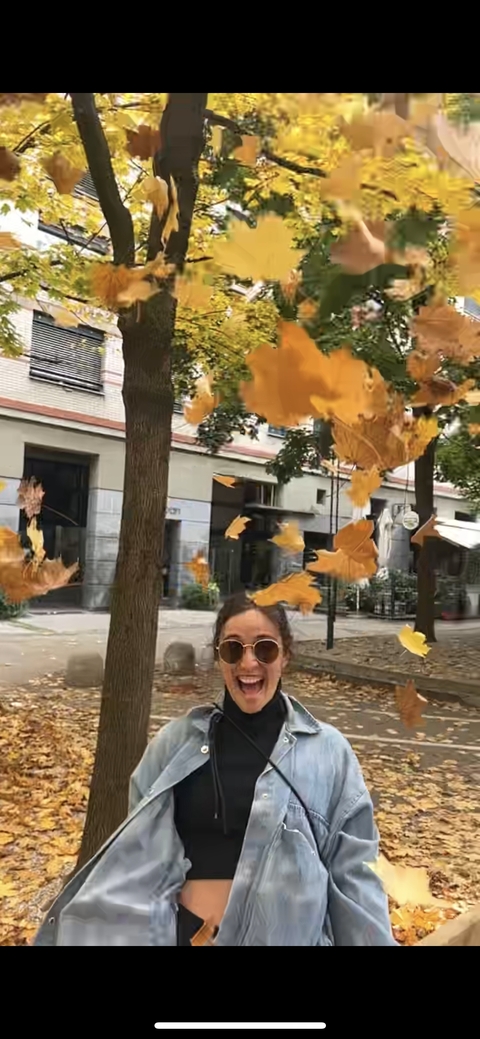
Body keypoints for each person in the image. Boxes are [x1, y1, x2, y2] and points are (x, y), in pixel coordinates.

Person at [34, 593, 397, 947]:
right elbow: (138, 862)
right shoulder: (173, 745)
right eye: (233, 649)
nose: (249, 663)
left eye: (265, 648)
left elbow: (355, 879)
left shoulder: (329, 753)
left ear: (285, 655)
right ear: (219, 655)